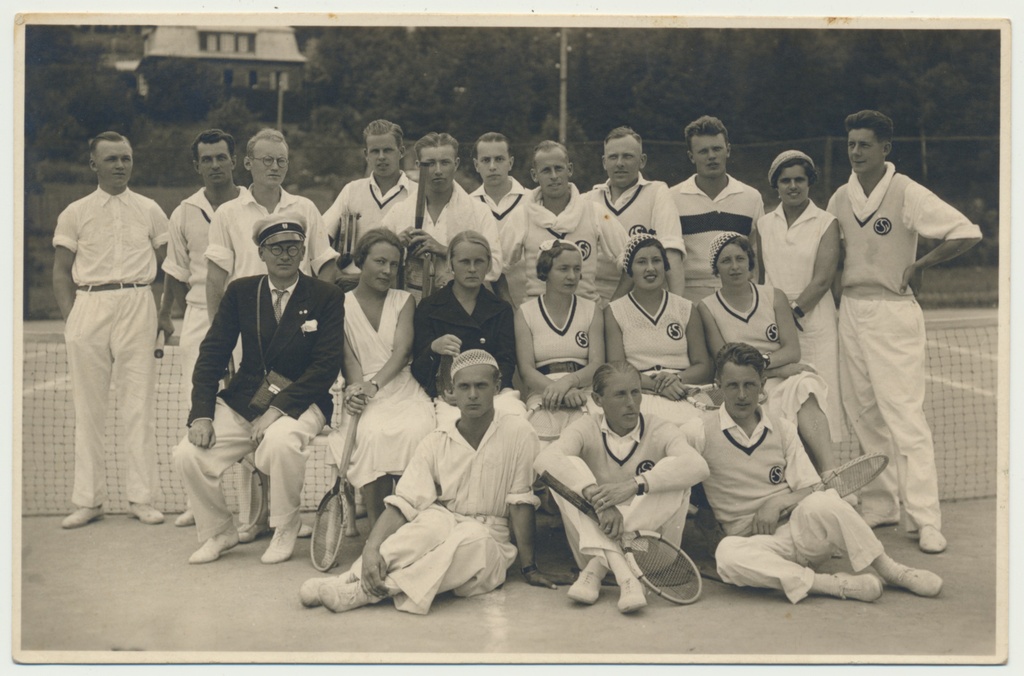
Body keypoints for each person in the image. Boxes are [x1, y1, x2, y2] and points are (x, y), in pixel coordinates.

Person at [300, 350, 569, 615]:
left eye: (481, 386)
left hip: (490, 539)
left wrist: (529, 567)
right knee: (426, 524)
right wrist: (371, 547)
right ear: (452, 391)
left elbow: (521, 502)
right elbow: (403, 502)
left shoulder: (519, 432)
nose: (473, 394)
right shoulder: (436, 439)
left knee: (471, 538)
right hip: (446, 517)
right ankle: (349, 579)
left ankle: (366, 592)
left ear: (496, 388)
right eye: (464, 386)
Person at [827, 110, 982, 553]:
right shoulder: (841, 196)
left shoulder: (906, 191)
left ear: (885, 149)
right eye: (851, 144)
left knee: (905, 418)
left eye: (864, 144)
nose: (855, 152)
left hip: (892, 313)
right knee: (864, 413)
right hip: (851, 313)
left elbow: (965, 232)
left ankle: (926, 518)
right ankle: (882, 504)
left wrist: (919, 265)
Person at [681, 343, 943, 604]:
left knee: (826, 500)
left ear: (762, 384)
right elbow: (669, 461)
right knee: (727, 555)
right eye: (732, 386)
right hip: (755, 545)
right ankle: (835, 585)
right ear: (718, 385)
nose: (741, 395)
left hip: (804, 535)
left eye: (749, 385)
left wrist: (777, 502)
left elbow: (813, 486)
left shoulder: (782, 428)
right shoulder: (699, 432)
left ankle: (891, 571)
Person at [173, 214, 345, 565]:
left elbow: (325, 368)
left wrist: (277, 409)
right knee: (187, 454)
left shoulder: (326, 296)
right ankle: (220, 531)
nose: (285, 254)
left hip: (303, 401)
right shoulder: (241, 292)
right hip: (244, 400)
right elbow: (211, 355)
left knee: (281, 442)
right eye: (275, 248)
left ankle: (285, 525)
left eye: (293, 247)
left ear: (302, 252)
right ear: (261, 253)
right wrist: (202, 415)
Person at [52, 131, 169, 529]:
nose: (120, 165)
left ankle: (142, 498)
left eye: (126, 158)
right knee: (88, 410)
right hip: (90, 306)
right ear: (94, 165)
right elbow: (60, 272)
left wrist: (164, 313)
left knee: (139, 409)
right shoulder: (74, 211)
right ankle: (88, 500)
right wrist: (73, 319)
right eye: (112, 159)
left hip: (138, 305)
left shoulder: (151, 209)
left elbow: (169, 267)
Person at [535, 361, 710, 613]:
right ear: (597, 399)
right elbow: (544, 461)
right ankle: (626, 576)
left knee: (674, 469)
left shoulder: (659, 427)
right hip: (593, 543)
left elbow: (698, 466)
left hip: (652, 553)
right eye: (620, 394)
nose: (631, 402)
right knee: (567, 466)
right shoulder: (587, 426)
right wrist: (597, 500)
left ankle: (599, 569)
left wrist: (635, 485)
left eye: (635, 392)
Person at [698, 233, 840, 473]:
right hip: (743, 385)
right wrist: (777, 367)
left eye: (740, 259)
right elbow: (724, 360)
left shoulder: (774, 296)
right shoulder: (707, 307)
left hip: (778, 379)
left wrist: (772, 367)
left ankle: (831, 472)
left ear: (750, 263)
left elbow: (792, 351)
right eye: (726, 261)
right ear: (716, 269)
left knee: (805, 385)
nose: (734, 267)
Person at [158, 128, 242, 529]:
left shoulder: (251, 204)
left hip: (248, 316)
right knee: (201, 408)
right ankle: (202, 502)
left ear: (234, 160)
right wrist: (165, 315)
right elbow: (174, 271)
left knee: (247, 407)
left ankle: (253, 505)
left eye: (220, 157)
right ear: (196, 165)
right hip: (196, 318)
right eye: (206, 159)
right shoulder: (183, 212)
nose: (214, 165)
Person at [329, 228, 435, 529]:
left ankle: (412, 523)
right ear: (361, 261)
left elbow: (402, 353)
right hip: (361, 387)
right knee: (373, 435)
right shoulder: (339, 305)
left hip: (402, 387)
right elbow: (348, 358)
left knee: (419, 430)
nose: (387, 270)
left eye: (393, 264)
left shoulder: (404, 300)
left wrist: (374, 386)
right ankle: (378, 527)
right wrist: (355, 389)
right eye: (380, 262)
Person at [205, 127, 339, 320]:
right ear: (248, 163)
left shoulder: (306, 208)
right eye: (267, 160)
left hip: (297, 320)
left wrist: (315, 310)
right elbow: (215, 280)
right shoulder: (226, 214)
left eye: (281, 161)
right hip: (247, 320)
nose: (275, 167)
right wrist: (218, 333)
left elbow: (326, 265)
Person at [757, 150, 844, 443]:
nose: (792, 186)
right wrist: (774, 319)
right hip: (773, 324)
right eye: (785, 181)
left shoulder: (827, 222)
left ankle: (823, 474)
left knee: (819, 399)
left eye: (799, 180)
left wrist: (792, 314)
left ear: (810, 183)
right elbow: (761, 278)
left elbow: (822, 280)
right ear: (776, 185)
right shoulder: (764, 224)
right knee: (780, 400)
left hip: (815, 322)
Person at [412, 231, 525, 427]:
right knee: (450, 426)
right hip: (449, 396)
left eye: (479, 262)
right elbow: (419, 368)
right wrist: (433, 348)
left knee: (514, 419)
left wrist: (485, 391)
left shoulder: (500, 309)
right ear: (450, 264)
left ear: (488, 265)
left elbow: (506, 362)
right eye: (465, 262)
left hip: (493, 394)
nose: (472, 269)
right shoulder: (429, 307)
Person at [506, 140, 630, 307]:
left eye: (558, 168)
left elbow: (632, 259)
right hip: (537, 314)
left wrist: (611, 307)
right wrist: (511, 311)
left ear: (569, 169)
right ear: (535, 175)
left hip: (587, 313)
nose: (554, 176)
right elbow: (496, 267)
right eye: (546, 170)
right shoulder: (522, 215)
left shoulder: (594, 212)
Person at [606, 233, 712, 426]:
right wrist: (657, 386)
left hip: (682, 389)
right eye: (641, 262)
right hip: (639, 392)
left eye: (656, 261)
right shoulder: (614, 311)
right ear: (629, 271)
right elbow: (617, 369)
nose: (650, 268)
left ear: (666, 267)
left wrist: (676, 379)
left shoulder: (686, 307)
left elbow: (703, 365)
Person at [381, 132, 504, 300]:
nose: (438, 171)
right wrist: (396, 245)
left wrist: (445, 250)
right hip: (410, 308)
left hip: (461, 309)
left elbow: (495, 267)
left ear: (456, 164)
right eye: (430, 163)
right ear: (418, 166)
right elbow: (373, 259)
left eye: (445, 162)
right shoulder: (399, 211)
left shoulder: (478, 211)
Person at [514, 239, 604, 441]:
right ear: (546, 271)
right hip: (544, 392)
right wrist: (560, 392)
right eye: (563, 269)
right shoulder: (525, 313)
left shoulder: (592, 310)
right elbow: (527, 371)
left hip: (584, 391)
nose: (572, 276)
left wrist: (569, 383)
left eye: (577, 269)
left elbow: (597, 364)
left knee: (592, 438)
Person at [671, 116, 765, 304]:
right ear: (691, 156)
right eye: (703, 151)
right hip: (690, 295)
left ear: (728, 150)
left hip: (737, 292)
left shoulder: (751, 197)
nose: (711, 156)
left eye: (717, 149)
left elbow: (758, 255)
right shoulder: (672, 197)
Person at [586, 126, 686, 298]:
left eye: (627, 156)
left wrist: (678, 307)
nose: (619, 163)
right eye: (613, 157)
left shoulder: (657, 192)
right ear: (604, 162)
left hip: (642, 297)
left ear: (642, 160)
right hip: (594, 296)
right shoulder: (587, 200)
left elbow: (671, 250)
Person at [321, 119, 413, 287]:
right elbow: (319, 237)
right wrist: (335, 272)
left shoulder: (417, 195)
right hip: (352, 284)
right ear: (366, 154)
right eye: (375, 151)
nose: (381, 157)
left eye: (388, 150)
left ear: (401, 151)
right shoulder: (352, 190)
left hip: (398, 285)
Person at [470, 132, 530, 306]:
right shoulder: (467, 205)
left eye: (499, 159)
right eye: (486, 160)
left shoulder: (533, 200)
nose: (492, 166)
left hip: (529, 302)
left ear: (510, 163)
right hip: (481, 304)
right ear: (476, 165)